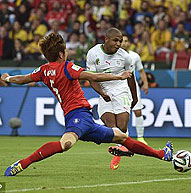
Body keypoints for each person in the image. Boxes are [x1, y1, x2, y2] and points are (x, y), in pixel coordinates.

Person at [3, 32, 173, 177]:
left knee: (121, 136)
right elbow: (93, 76)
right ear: (61, 54)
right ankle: (22, 164)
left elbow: (22, 79)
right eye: (66, 50)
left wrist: (7, 78)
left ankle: (162, 154)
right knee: (66, 144)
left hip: (84, 119)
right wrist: (118, 76)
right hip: (79, 116)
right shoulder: (67, 67)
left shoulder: (43, 70)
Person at [86, 28, 149, 170]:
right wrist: (102, 93)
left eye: (120, 41)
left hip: (121, 89)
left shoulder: (125, 56)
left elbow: (131, 78)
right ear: (106, 39)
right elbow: (91, 78)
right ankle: (123, 148)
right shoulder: (93, 53)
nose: (119, 43)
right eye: (116, 40)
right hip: (104, 90)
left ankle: (120, 151)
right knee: (110, 126)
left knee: (122, 126)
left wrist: (134, 96)